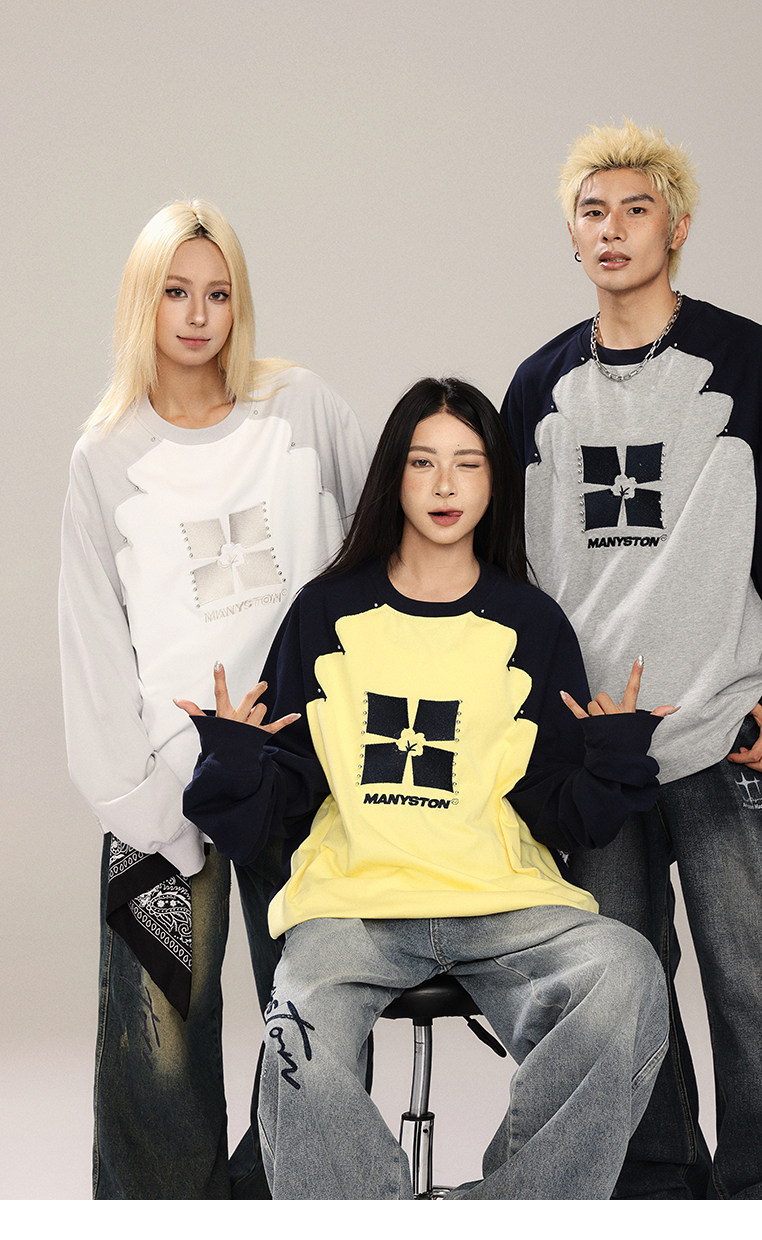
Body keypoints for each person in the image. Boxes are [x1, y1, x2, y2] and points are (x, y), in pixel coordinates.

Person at [176, 377, 672, 1200]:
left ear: (494, 482)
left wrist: (613, 755)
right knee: (295, 1037)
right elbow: (284, 799)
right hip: (354, 905)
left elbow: (559, 811)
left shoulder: (530, 623)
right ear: (394, 476)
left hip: (499, 901)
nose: (446, 486)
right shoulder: (327, 613)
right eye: (423, 462)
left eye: (468, 464)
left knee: (625, 970)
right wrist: (233, 758)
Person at [499, 120, 762, 1199]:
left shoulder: (747, 363)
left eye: (636, 209)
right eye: (592, 212)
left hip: (721, 721)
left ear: (677, 226)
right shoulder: (538, 386)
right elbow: (509, 575)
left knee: (761, 978)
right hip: (590, 747)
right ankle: (652, 1184)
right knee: (620, 984)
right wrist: (535, 731)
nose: (612, 229)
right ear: (571, 235)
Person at [59, 199, 369, 1199]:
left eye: (220, 293)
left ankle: (284, 1203)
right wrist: (145, 807)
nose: (198, 316)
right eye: (176, 293)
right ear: (141, 303)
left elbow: (379, 562)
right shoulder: (105, 454)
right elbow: (93, 645)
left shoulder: (301, 410)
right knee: (155, 1052)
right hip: (163, 791)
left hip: (302, 787)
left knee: (316, 1031)